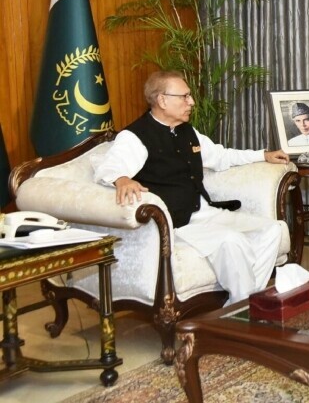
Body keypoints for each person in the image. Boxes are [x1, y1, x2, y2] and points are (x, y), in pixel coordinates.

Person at [94, 70, 291, 305]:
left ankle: (241, 302)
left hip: (205, 212)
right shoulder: (135, 136)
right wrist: (122, 179)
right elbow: (109, 168)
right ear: (162, 100)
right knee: (230, 241)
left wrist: (262, 155)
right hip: (176, 222)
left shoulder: (189, 131)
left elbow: (220, 156)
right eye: (185, 96)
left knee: (274, 229)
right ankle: (246, 306)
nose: (192, 102)